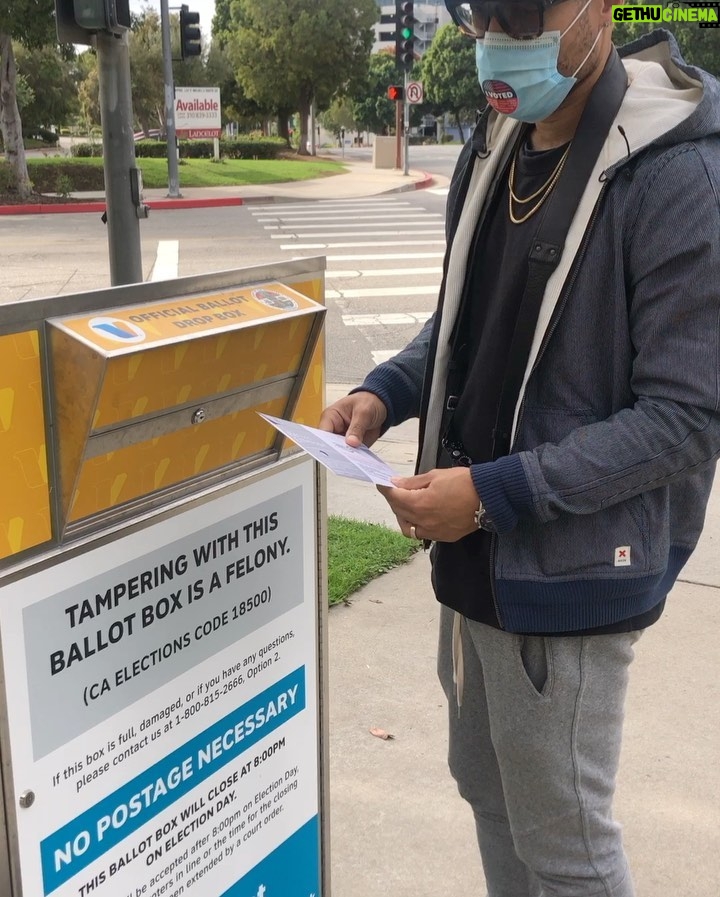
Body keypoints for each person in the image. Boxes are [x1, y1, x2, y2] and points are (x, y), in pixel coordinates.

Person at [319, 2, 720, 895]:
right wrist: (384, 391)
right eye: (478, 9)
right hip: (473, 559)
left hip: (565, 571)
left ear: (600, 12)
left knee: (566, 845)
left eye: (523, 7)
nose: (497, 32)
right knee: (488, 792)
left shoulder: (677, 171)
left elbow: (687, 416)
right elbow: (467, 317)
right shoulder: (496, 144)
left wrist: (496, 493)